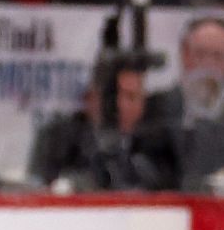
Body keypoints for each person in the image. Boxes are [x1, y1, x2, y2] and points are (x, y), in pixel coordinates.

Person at [28, 51, 180, 191]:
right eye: (113, 95)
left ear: (143, 102)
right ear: (91, 97)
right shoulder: (58, 139)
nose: (121, 105)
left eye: (131, 97)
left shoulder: (157, 147)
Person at [144, 16, 224, 189]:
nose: (208, 64)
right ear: (185, 57)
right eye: (200, 54)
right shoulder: (156, 108)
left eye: (217, 56)